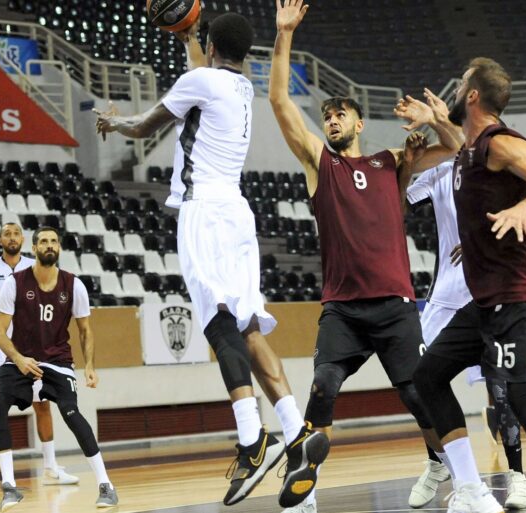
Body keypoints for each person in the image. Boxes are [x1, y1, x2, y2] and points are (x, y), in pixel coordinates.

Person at [94, 13, 327, 508]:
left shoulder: (201, 81)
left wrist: (112, 121)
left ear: (212, 46)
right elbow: (203, 72)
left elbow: (142, 126)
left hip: (204, 213)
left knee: (219, 325)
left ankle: (251, 438)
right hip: (238, 214)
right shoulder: (240, 86)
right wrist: (189, 40)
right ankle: (295, 431)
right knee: (249, 328)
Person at [269, 2, 462, 512]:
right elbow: (280, 101)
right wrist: (285, 35)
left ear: (359, 121)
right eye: (327, 116)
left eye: (340, 114)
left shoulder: (392, 161)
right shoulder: (320, 165)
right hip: (344, 308)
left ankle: (446, 466)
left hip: (395, 305)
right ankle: (305, 484)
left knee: (418, 395)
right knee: (324, 384)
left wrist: (435, 119)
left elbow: (460, 148)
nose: (331, 120)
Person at [409, 57, 526, 513]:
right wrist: (435, 120)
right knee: (428, 377)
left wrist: (524, 208)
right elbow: (459, 145)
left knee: (523, 393)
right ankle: (471, 490)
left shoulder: (501, 142)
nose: (455, 91)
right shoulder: (469, 150)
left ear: (473, 95)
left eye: (461, 85)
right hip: (490, 297)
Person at [405, 158, 526, 510]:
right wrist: (409, 161)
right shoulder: (439, 172)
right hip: (445, 295)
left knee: (501, 389)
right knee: (417, 382)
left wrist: (480, 240)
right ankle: (438, 462)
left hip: (488, 291)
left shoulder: (497, 162)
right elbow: (398, 205)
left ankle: (517, 476)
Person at [0, 227, 116, 510]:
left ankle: (106, 484)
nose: (50, 245)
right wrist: (19, 358)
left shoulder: (74, 285)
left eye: (54, 241)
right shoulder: (15, 283)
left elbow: (85, 330)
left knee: (71, 412)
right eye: (44, 241)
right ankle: (9, 486)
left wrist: (90, 365)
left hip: (58, 361)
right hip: (21, 358)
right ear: (34, 248)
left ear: (59, 248)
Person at [0, 222, 78, 493]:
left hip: (33, 347)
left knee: (43, 403)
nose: (12, 237)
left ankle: (50, 467)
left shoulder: (34, 267)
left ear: (24, 240)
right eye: (7, 234)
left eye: (16, 233)